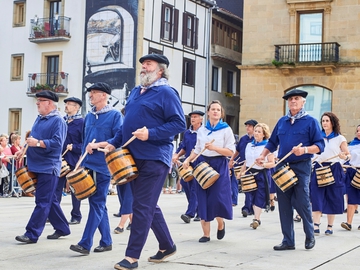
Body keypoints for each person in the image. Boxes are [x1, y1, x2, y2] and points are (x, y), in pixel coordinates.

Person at [105, 53, 186, 270]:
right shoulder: (135, 92)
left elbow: (179, 124)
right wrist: (114, 142)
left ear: (160, 69)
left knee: (140, 206)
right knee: (148, 205)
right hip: (132, 157)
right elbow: (126, 125)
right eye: (142, 64)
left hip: (155, 157)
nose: (143, 67)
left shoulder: (167, 93)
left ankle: (131, 257)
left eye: (148, 64)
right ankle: (167, 246)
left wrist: (150, 133)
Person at [255, 89, 324, 251]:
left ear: (303, 101)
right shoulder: (282, 121)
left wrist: (305, 150)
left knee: (302, 201)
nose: (293, 101)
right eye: (290, 99)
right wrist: (262, 155)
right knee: (284, 204)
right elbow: (272, 142)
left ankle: (310, 235)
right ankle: (288, 240)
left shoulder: (311, 121)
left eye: (296, 98)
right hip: (282, 166)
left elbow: (320, 146)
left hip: (302, 166)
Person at [69, 82, 122, 255]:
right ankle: (106, 241)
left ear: (104, 95)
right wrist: (80, 163)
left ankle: (85, 243)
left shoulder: (115, 116)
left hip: (103, 166)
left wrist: (99, 144)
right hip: (87, 165)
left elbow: (118, 140)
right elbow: (85, 141)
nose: (90, 95)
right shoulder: (89, 116)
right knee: (98, 204)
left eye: (94, 92)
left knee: (97, 203)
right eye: (90, 92)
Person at [15, 90, 70, 244]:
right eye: (37, 100)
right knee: (50, 200)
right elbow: (32, 138)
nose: (37, 103)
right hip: (37, 165)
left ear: (50, 103)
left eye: (40, 100)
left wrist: (38, 143)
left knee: (42, 201)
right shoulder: (40, 118)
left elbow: (58, 144)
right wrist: (23, 150)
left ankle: (32, 234)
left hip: (48, 166)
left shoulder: (58, 120)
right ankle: (63, 228)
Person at [183, 100, 235, 243]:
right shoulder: (202, 130)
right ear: (208, 112)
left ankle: (220, 223)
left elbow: (230, 151)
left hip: (219, 163)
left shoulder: (226, 129)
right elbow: (197, 150)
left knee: (217, 198)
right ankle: (206, 234)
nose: (215, 111)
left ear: (221, 113)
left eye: (218, 109)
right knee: (203, 197)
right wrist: (188, 160)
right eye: (213, 109)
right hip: (203, 163)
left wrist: (215, 149)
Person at [311, 112, 349, 235]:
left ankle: (330, 226)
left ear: (332, 122)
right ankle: (316, 225)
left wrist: (344, 156)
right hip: (319, 167)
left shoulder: (339, 138)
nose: (325, 123)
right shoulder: (317, 137)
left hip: (334, 168)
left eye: (327, 121)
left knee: (332, 196)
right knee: (316, 196)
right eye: (323, 121)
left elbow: (347, 154)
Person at [239, 123, 275, 229]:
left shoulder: (267, 146)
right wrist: (241, 172)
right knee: (251, 196)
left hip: (262, 173)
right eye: (255, 131)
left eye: (259, 132)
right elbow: (246, 162)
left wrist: (263, 164)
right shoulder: (249, 145)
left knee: (260, 196)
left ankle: (256, 219)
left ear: (264, 134)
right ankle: (256, 217)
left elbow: (272, 163)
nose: (256, 133)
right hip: (250, 173)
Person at [55, 97, 84, 225]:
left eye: (69, 104)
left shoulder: (82, 122)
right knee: (56, 189)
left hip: (74, 160)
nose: (66, 106)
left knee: (74, 189)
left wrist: (75, 147)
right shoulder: (62, 121)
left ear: (76, 107)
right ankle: (54, 214)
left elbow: (85, 143)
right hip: (60, 159)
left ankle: (76, 215)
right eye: (66, 104)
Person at [172, 110, 204, 223]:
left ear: (201, 119)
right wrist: (176, 155)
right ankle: (200, 211)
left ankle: (189, 213)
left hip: (200, 162)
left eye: (196, 117)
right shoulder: (187, 133)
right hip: (188, 163)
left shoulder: (204, 132)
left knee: (195, 187)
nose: (193, 119)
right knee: (185, 183)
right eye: (192, 117)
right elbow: (183, 146)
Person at [229, 119, 258, 217]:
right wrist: (232, 160)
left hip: (251, 166)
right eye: (246, 126)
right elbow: (237, 150)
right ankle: (237, 202)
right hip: (240, 165)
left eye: (249, 126)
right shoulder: (243, 138)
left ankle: (248, 208)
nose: (247, 128)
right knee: (235, 182)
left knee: (249, 187)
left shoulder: (256, 139)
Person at [341, 124, 360, 231]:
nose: (358, 133)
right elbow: (346, 158)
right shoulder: (352, 145)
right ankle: (348, 223)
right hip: (352, 171)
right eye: (357, 131)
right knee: (351, 197)